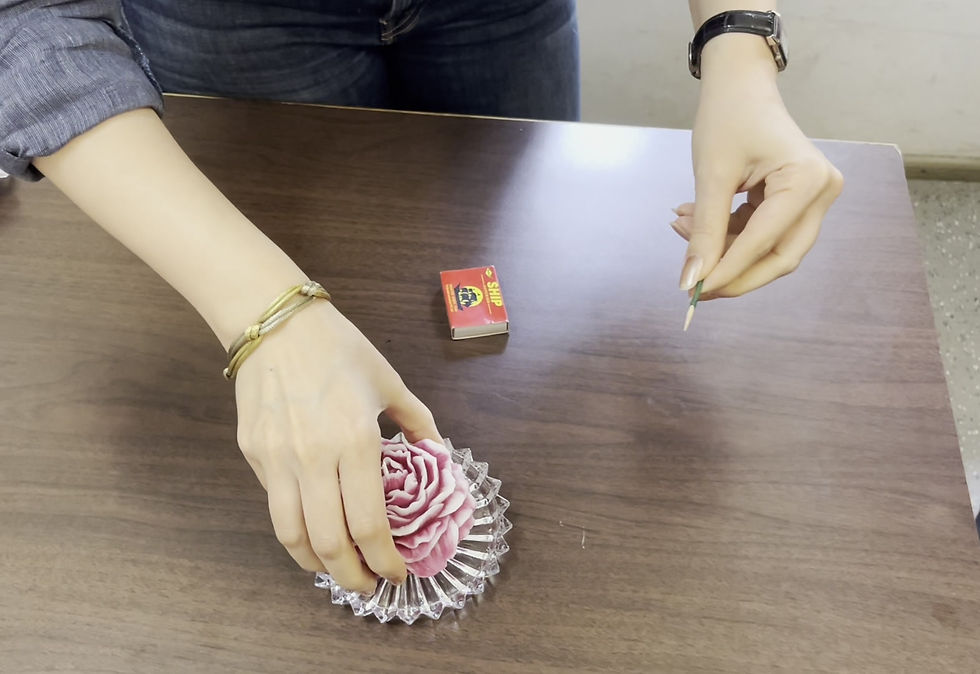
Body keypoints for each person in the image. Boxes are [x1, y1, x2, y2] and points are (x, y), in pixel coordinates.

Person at [0, 1, 842, 593]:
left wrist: (738, 41)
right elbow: (30, 23)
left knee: (489, 238)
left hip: (503, 15)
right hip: (232, 24)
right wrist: (266, 314)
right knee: (301, 252)